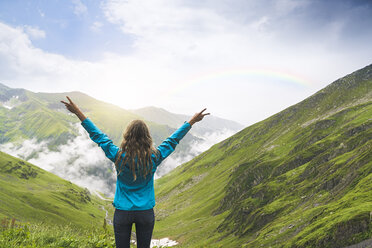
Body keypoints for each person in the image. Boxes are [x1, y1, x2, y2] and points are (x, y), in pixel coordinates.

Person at [61, 96, 209, 248]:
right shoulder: (154, 157)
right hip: (145, 212)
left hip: (122, 212)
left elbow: (98, 136)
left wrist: (77, 112)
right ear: (147, 136)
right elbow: (173, 140)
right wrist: (191, 121)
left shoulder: (118, 156)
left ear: (127, 135)